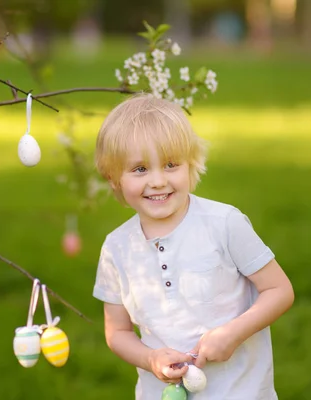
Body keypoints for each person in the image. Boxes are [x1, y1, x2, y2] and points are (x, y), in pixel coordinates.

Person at [92, 93, 294, 399]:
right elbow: (117, 332)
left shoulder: (224, 223)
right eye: (140, 169)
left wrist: (232, 334)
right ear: (114, 177)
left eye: (171, 165)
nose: (158, 181)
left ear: (190, 165)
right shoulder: (116, 248)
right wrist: (150, 358)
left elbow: (279, 291)